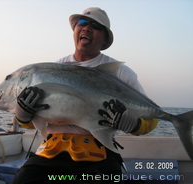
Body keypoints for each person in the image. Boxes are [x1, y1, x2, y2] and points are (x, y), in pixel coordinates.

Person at [12, 7, 158, 184]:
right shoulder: (55, 68)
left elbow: (152, 119)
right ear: (74, 31)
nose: (86, 28)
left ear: (104, 39)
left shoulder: (120, 72)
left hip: (98, 152)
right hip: (52, 150)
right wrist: (23, 116)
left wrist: (134, 124)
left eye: (95, 26)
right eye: (82, 23)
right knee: (23, 180)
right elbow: (34, 121)